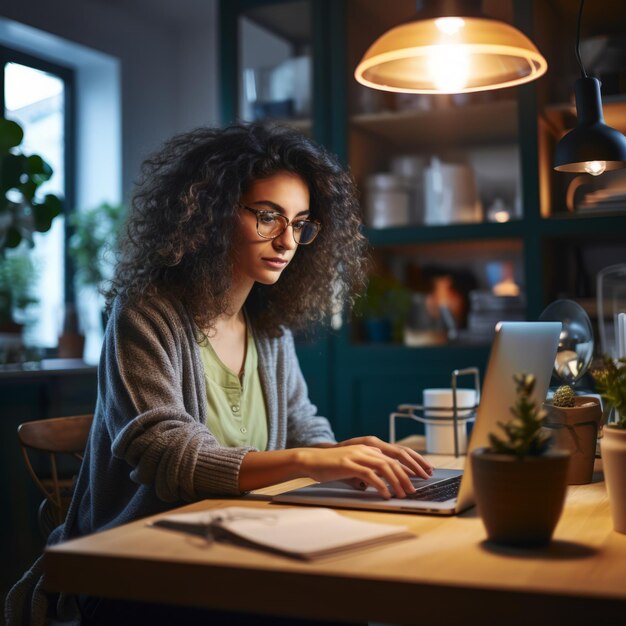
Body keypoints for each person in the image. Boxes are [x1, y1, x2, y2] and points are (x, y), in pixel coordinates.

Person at [6, 123, 432, 626]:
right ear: (209, 210)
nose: (287, 240)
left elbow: (303, 423)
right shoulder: (145, 313)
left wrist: (335, 455)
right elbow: (168, 455)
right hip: (136, 569)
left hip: (240, 549)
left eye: (299, 223)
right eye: (268, 216)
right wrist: (308, 460)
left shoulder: (268, 327)